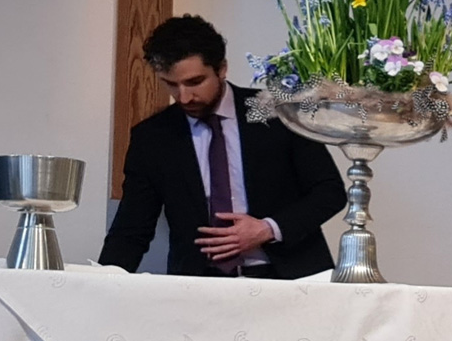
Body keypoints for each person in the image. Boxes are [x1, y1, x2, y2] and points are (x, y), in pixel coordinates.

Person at [100, 15, 347, 278]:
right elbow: (131, 229)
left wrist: (268, 229)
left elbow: (329, 192)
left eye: (195, 82)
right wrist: (101, 284)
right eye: (171, 84)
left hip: (289, 278)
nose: (184, 97)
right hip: (199, 285)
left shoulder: (279, 112)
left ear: (222, 69)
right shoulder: (153, 137)